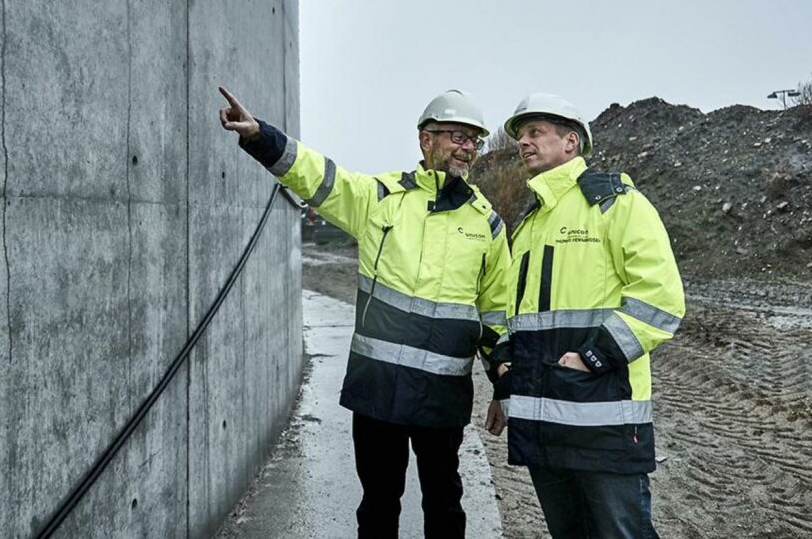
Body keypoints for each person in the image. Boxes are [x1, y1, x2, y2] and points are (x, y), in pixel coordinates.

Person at [218, 86, 513, 539]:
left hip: (443, 397)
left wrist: (503, 385)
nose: (466, 147)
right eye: (455, 135)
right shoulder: (380, 199)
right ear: (425, 140)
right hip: (379, 392)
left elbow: (496, 311)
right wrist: (262, 138)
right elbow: (319, 177)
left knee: (445, 505)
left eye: (473, 139)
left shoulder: (487, 224)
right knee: (378, 505)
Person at [486, 93, 685, 539]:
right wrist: (503, 372)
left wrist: (593, 358)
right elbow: (514, 312)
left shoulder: (616, 202)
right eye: (520, 135)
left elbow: (661, 299)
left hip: (602, 416)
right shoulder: (529, 221)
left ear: (571, 142)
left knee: (621, 532)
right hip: (543, 418)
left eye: (535, 132)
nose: (523, 142)